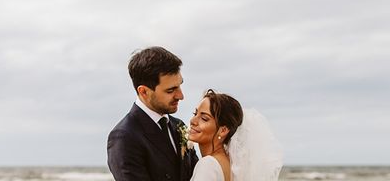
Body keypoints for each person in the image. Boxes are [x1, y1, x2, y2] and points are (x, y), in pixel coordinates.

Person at [107, 46, 199, 181]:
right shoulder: (124, 137)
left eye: (179, 85)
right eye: (170, 90)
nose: (180, 95)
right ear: (144, 91)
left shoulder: (179, 126)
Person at [188, 89, 283, 181]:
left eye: (204, 118)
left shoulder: (208, 165)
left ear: (223, 130)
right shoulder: (232, 166)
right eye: (195, 114)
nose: (193, 121)